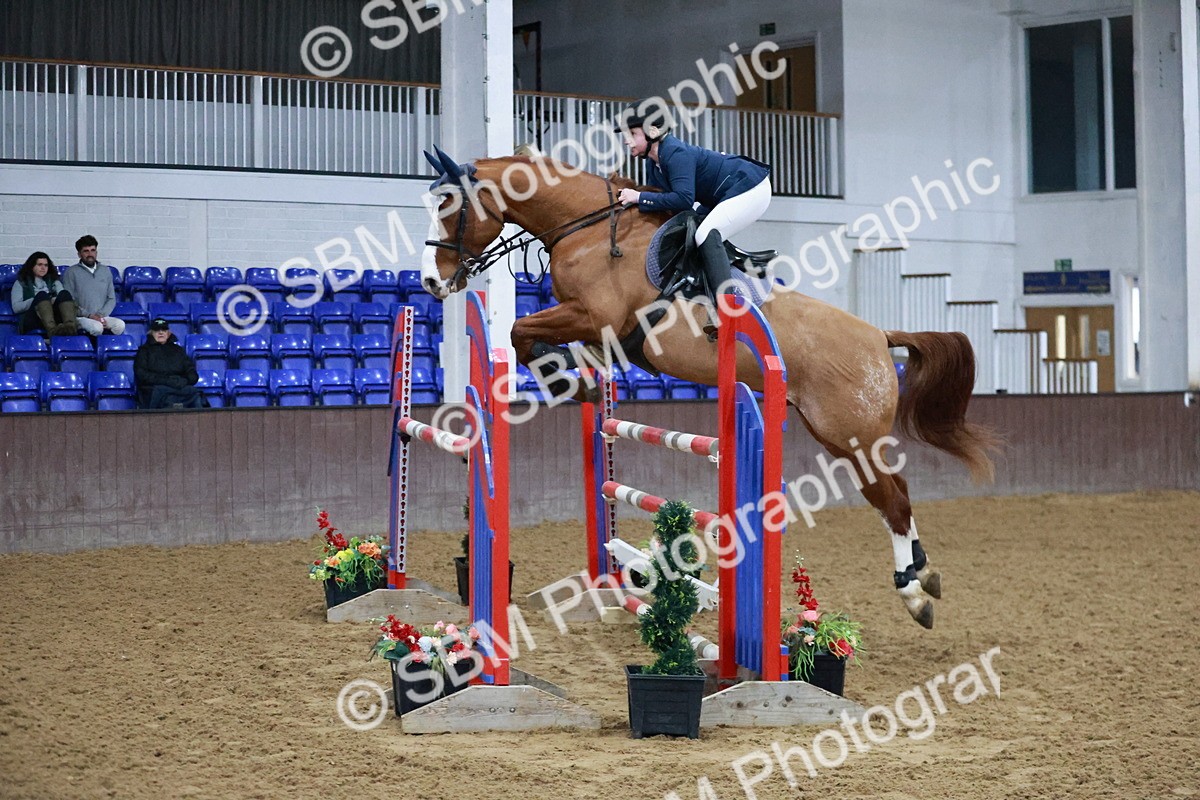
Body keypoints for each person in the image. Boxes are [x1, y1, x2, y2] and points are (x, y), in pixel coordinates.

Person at [615, 98, 773, 335]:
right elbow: (673, 207)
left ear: (653, 132)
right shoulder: (654, 164)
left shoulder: (675, 153)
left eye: (633, 133)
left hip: (750, 187)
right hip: (720, 195)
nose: (627, 140)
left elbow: (683, 199)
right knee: (693, 232)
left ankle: (728, 309)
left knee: (706, 233)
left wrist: (638, 198)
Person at [61, 234, 125, 336]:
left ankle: (107, 349)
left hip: (102, 316)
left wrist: (100, 315)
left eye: (93, 250)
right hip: (82, 317)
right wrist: (89, 315)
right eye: (86, 251)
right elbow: (70, 301)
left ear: (96, 252)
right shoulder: (71, 272)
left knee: (120, 325)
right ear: (79, 254)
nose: (90, 254)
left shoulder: (105, 271)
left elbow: (111, 298)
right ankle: (93, 350)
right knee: (97, 327)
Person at [134, 318, 204, 409]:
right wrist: (167, 381)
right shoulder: (144, 351)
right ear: (152, 333)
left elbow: (192, 373)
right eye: (157, 330)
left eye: (164, 330)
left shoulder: (178, 350)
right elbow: (142, 375)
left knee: (196, 394)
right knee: (166, 398)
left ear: (168, 333)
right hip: (156, 389)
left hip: (179, 387)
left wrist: (185, 381)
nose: (161, 332)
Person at [9, 251, 78, 337]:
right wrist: (36, 300)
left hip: (55, 317)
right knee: (42, 295)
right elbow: (16, 308)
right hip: (33, 319)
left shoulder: (55, 282)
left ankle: (70, 328)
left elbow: (62, 298)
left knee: (65, 293)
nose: (43, 268)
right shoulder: (21, 283)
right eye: (40, 265)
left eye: (46, 265)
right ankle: (52, 332)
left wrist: (53, 300)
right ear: (32, 266)